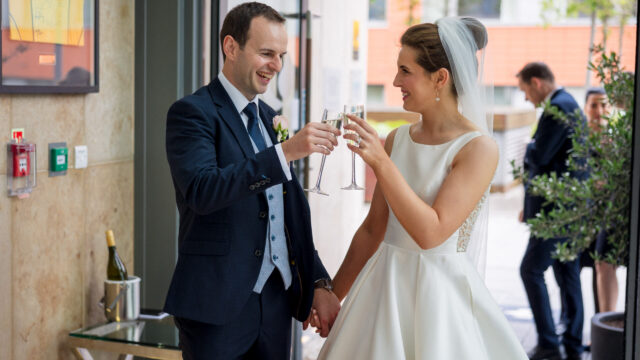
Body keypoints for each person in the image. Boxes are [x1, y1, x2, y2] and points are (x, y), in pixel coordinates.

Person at [317, 17, 527, 360]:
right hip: (383, 290)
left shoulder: (478, 148)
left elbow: (432, 233)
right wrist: (331, 295)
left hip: (441, 300)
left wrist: (382, 165)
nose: (396, 81)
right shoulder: (397, 138)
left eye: (405, 71)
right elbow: (372, 230)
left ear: (440, 78)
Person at [163, 3, 341, 359]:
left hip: (277, 303)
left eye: (281, 55)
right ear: (231, 47)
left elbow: (289, 216)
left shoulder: (270, 118)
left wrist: (319, 281)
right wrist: (285, 153)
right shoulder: (192, 113)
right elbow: (202, 190)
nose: (276, 65)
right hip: (216, 306)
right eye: (266, 53)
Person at [517, 62, 586, 360]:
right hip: (568, 207)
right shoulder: (567, 103)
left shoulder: (559, 107)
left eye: (524, 91)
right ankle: (571, 342)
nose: (525, 98)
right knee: (566, 271)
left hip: (557, 210)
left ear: (537, 82)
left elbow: (540, 155)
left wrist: (528, 147)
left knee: (531, 270)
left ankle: (548, 344)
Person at [582, 87, 618, 313]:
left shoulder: (617, 142)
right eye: (593, 105)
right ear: (586, 108)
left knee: (603, 268)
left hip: (607, 215)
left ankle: (601, 327)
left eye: (603, 105)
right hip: (581, 216)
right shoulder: (578, 139)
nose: (598, 110)